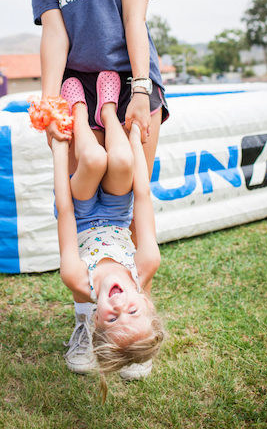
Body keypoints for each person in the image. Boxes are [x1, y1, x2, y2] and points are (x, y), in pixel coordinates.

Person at [28, 0, 169, 376]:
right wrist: (50, 104)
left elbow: (135, 21)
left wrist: (137, 89)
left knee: (131, 201)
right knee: (82, 201)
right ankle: (89, 325)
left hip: (130, 80)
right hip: (74, 87)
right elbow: (55, 35)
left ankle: (133, 323)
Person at [50, 72, 164, 400]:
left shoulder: (76, 277)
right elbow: (142, 195)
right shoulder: (146, 263)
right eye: (132, 310)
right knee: (123, 161)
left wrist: (61, 148)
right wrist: (133, 138)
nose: (118, 303)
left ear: (97, 320)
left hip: (81, 212)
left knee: (94, 158)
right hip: (116, 211)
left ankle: (79, 110)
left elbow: (66, 210)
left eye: (112, 316)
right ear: (145, 301)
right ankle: (108, 109)